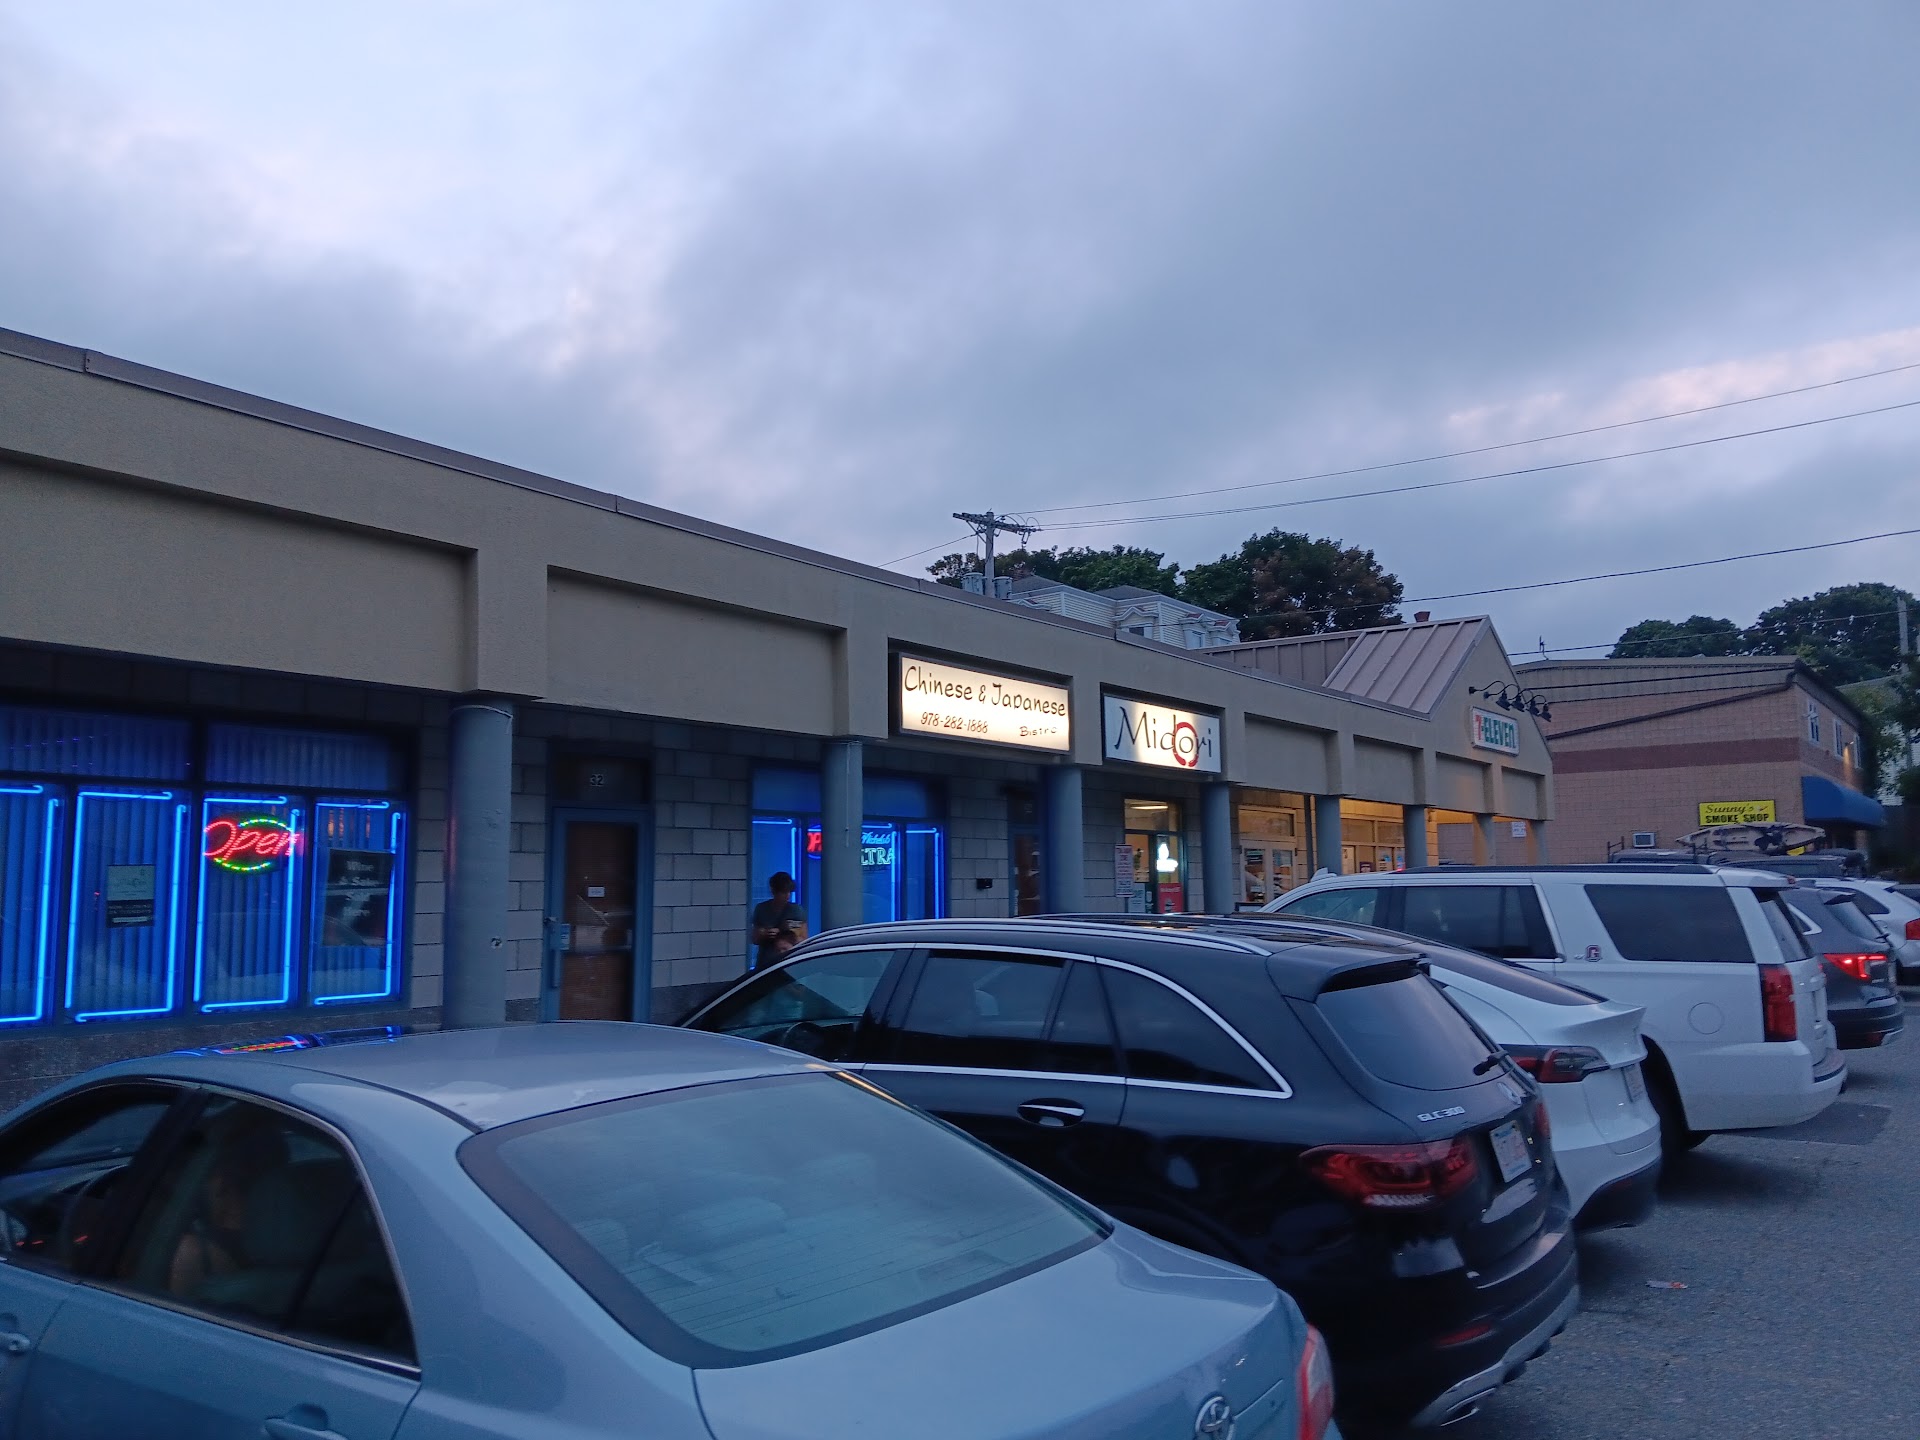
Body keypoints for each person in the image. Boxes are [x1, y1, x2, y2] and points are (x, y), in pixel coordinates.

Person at [749, 871, 808, 969]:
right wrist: (765, 934)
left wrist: (788, 933)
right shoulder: (761, 909)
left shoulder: (796, 910)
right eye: (783, 892)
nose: (787, 896)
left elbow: (804, 939)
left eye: (789, 892)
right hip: (766, 962)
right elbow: (754, 938)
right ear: (774, 891)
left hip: (789, 961)